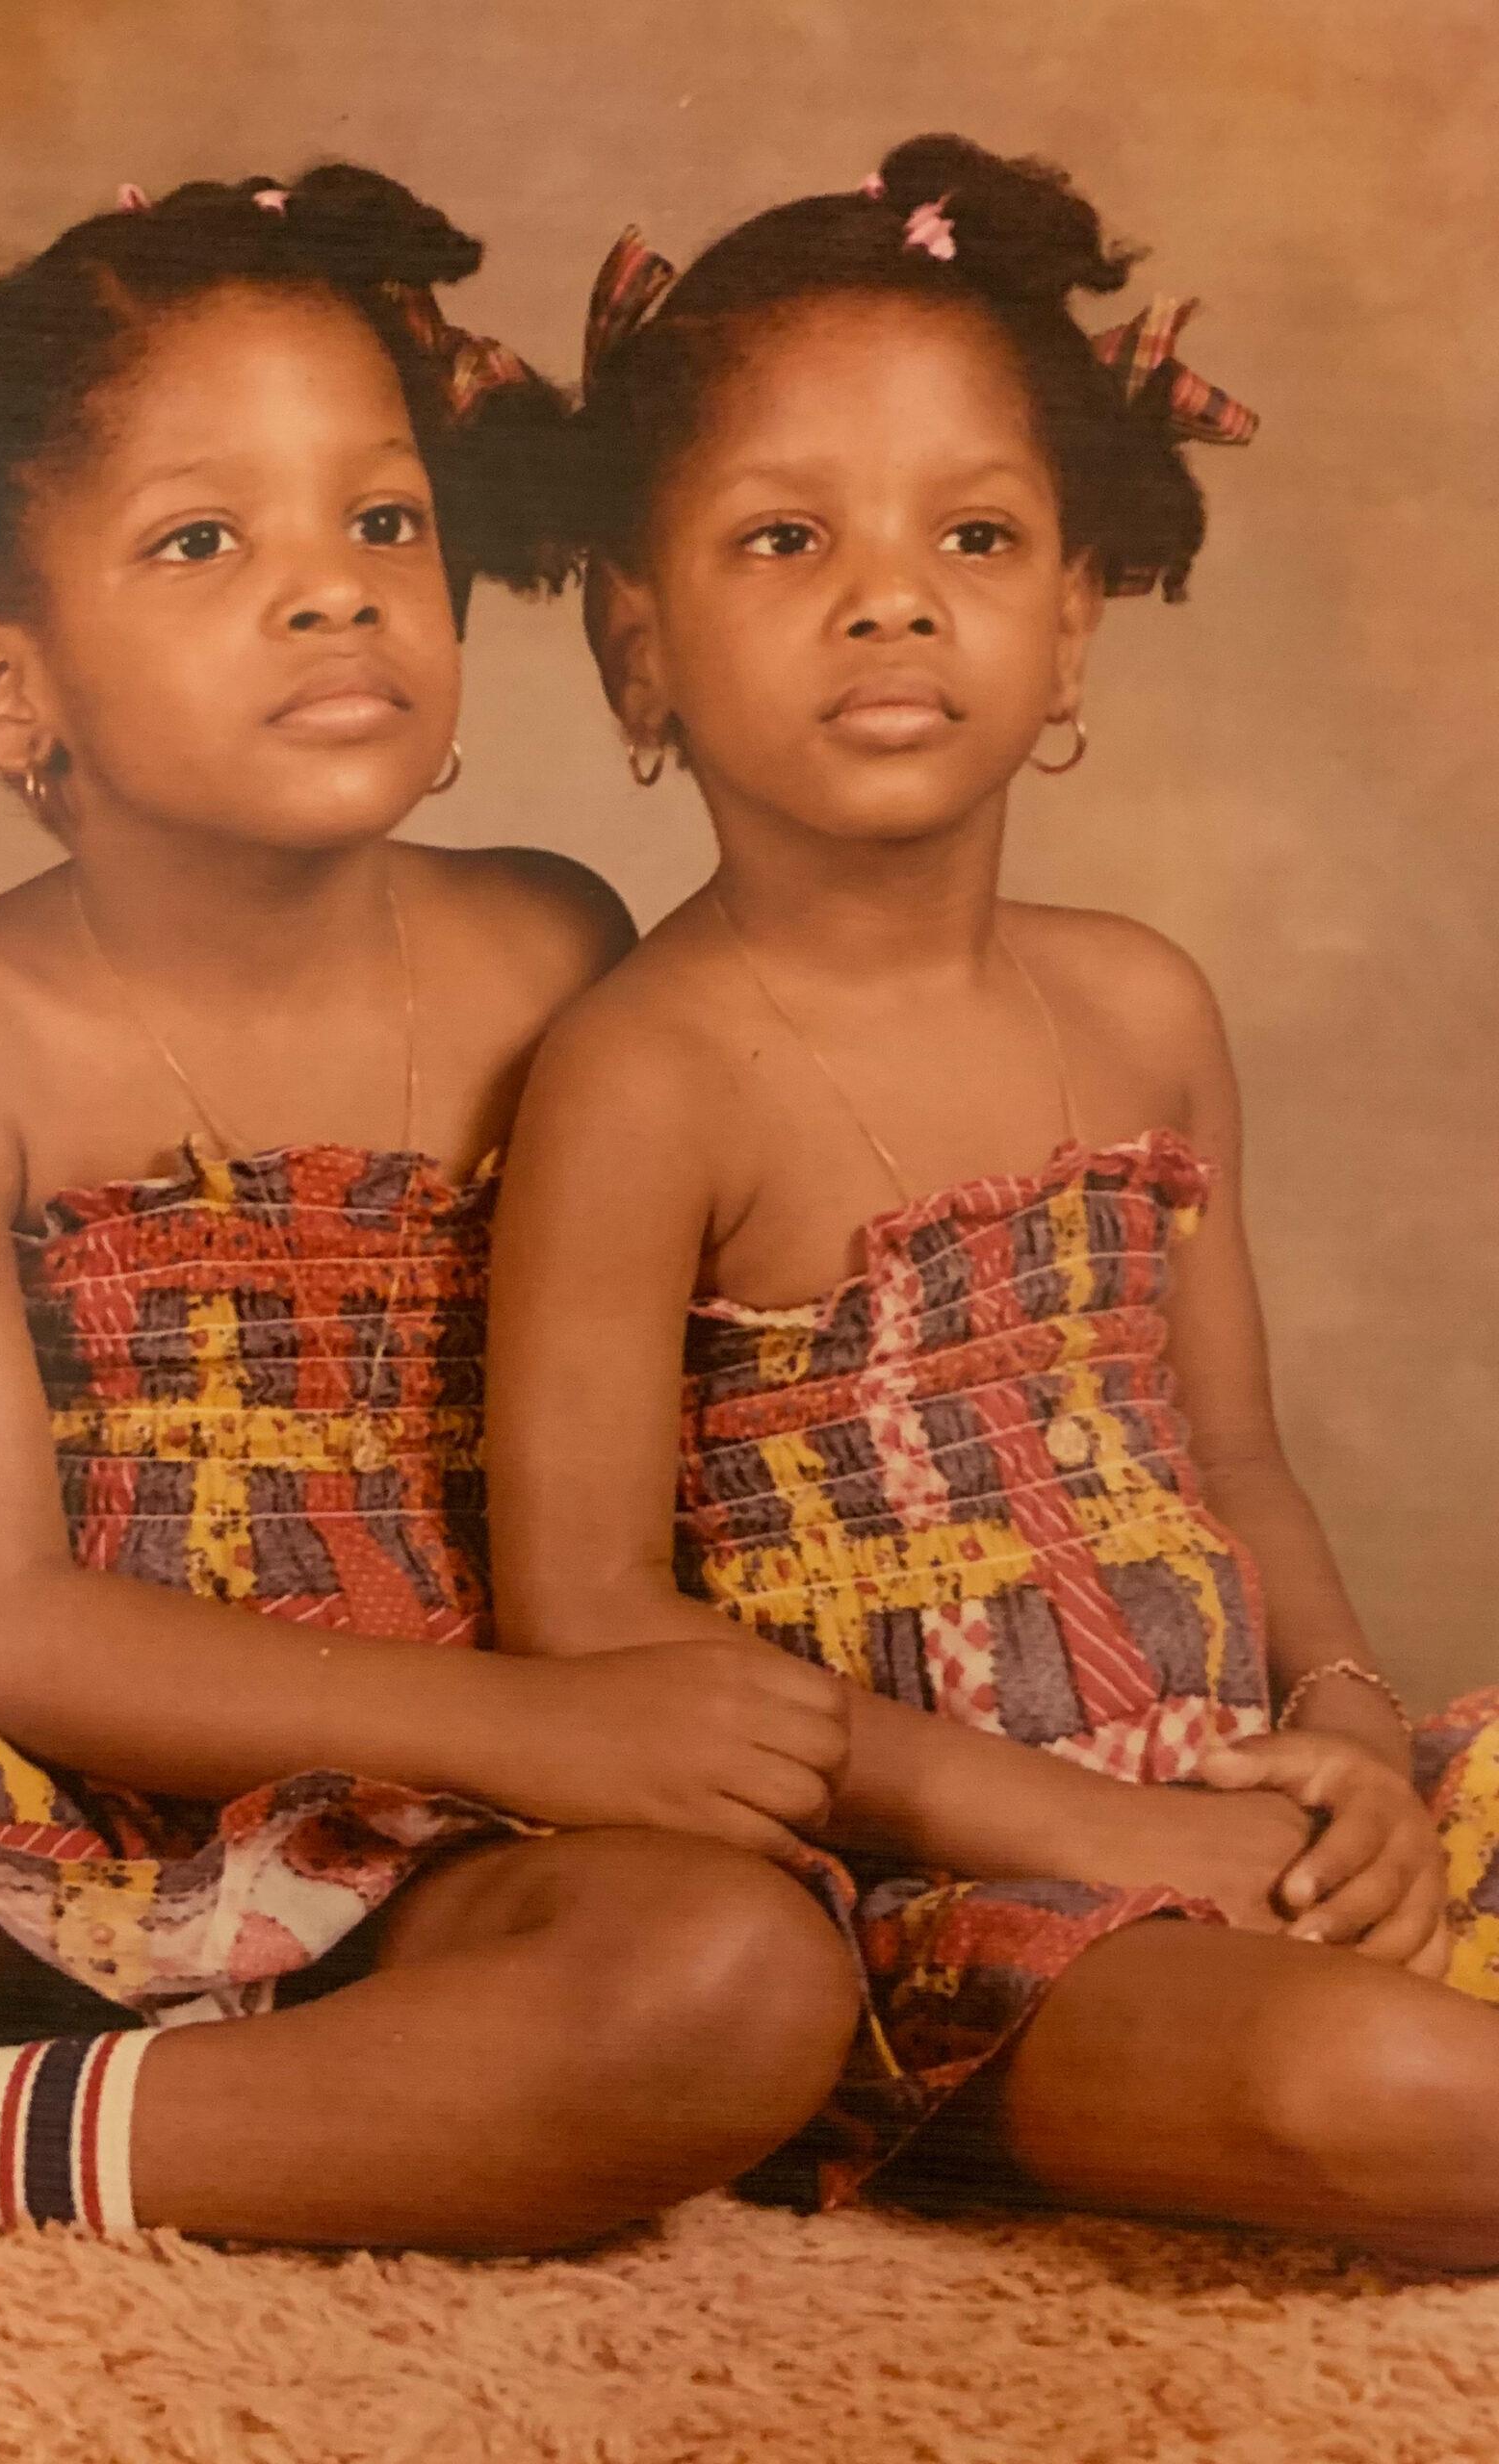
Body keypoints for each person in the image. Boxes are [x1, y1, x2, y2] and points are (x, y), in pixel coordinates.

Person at [0, 167, 863, 2250]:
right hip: (17, 1805)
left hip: (452, 1842)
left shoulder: (559, 946)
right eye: (206, 539)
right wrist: (535, 1711)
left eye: (381, 520)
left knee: (732, 1986)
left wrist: (583, 1736)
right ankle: (175, 2094)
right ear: (1, 689)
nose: (334, 591)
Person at [485, 133, 1499, 2267]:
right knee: (1384, 2087)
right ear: (637, 647)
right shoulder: (644, 1071)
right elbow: (584, 1623)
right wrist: (1093, 1826)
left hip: (1246, 1773)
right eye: (787, 537)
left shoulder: (1140, 1002)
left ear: (1073, 625)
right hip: (922, 1882)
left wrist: (1353, 1741)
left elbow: (1237, 1459)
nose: (890, 591)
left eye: (974, 530)